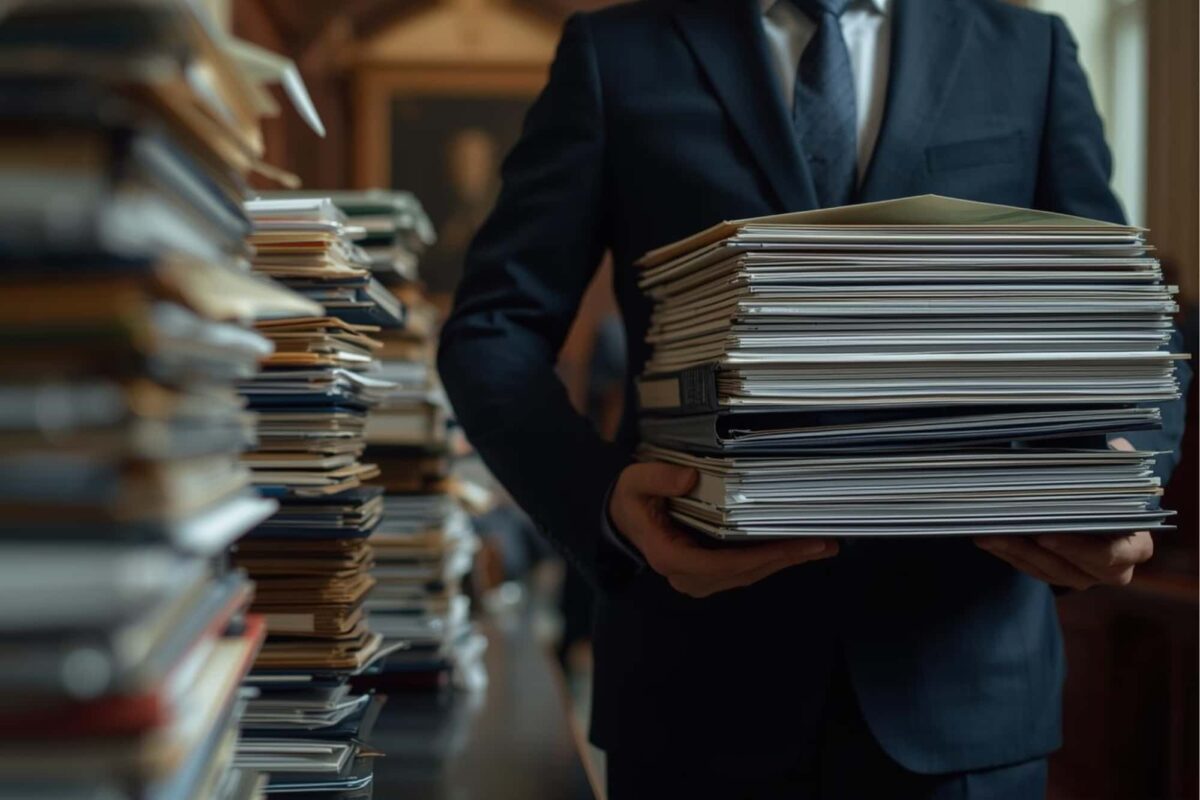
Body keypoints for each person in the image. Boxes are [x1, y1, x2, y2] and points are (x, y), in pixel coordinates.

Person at [437, 0, 1191, 797]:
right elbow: (492, 330)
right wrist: (604, 508)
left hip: (965, 686)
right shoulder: (617, 51)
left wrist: (1123, 480)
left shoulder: (1026, 47)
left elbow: (1121, 312)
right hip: (695, 689)